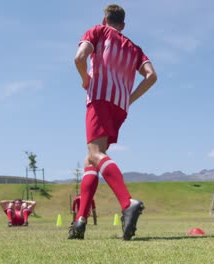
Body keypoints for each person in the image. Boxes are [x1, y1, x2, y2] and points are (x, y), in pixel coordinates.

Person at [70, 4, 157, 240]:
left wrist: (85, 79)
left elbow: (79, 57)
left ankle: (127, 202)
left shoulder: (97, 31)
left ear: (104, 18)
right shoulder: (135, 49)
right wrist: (129, 98)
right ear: (123, 25)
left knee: (95, 152)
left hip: (99, 98)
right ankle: (80, 220)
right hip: (120, 106)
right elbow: (151, 76)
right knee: (91, 159)